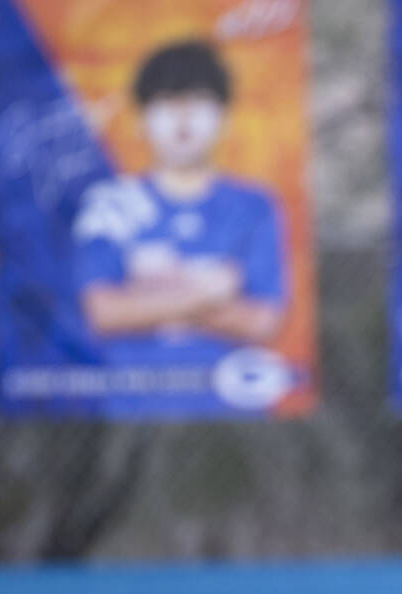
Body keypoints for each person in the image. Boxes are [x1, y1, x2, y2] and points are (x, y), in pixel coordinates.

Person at [72, 40, 286, 376]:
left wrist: (147, 291)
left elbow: (261, 322)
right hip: (131, 393)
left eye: (198, 102)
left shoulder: (255, 206)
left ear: (225, 118)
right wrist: (210, 291)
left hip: (229, 399)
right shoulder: (110, 204)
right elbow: (103, 312)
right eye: (168, 102)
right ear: (140, 120)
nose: (183, 118)